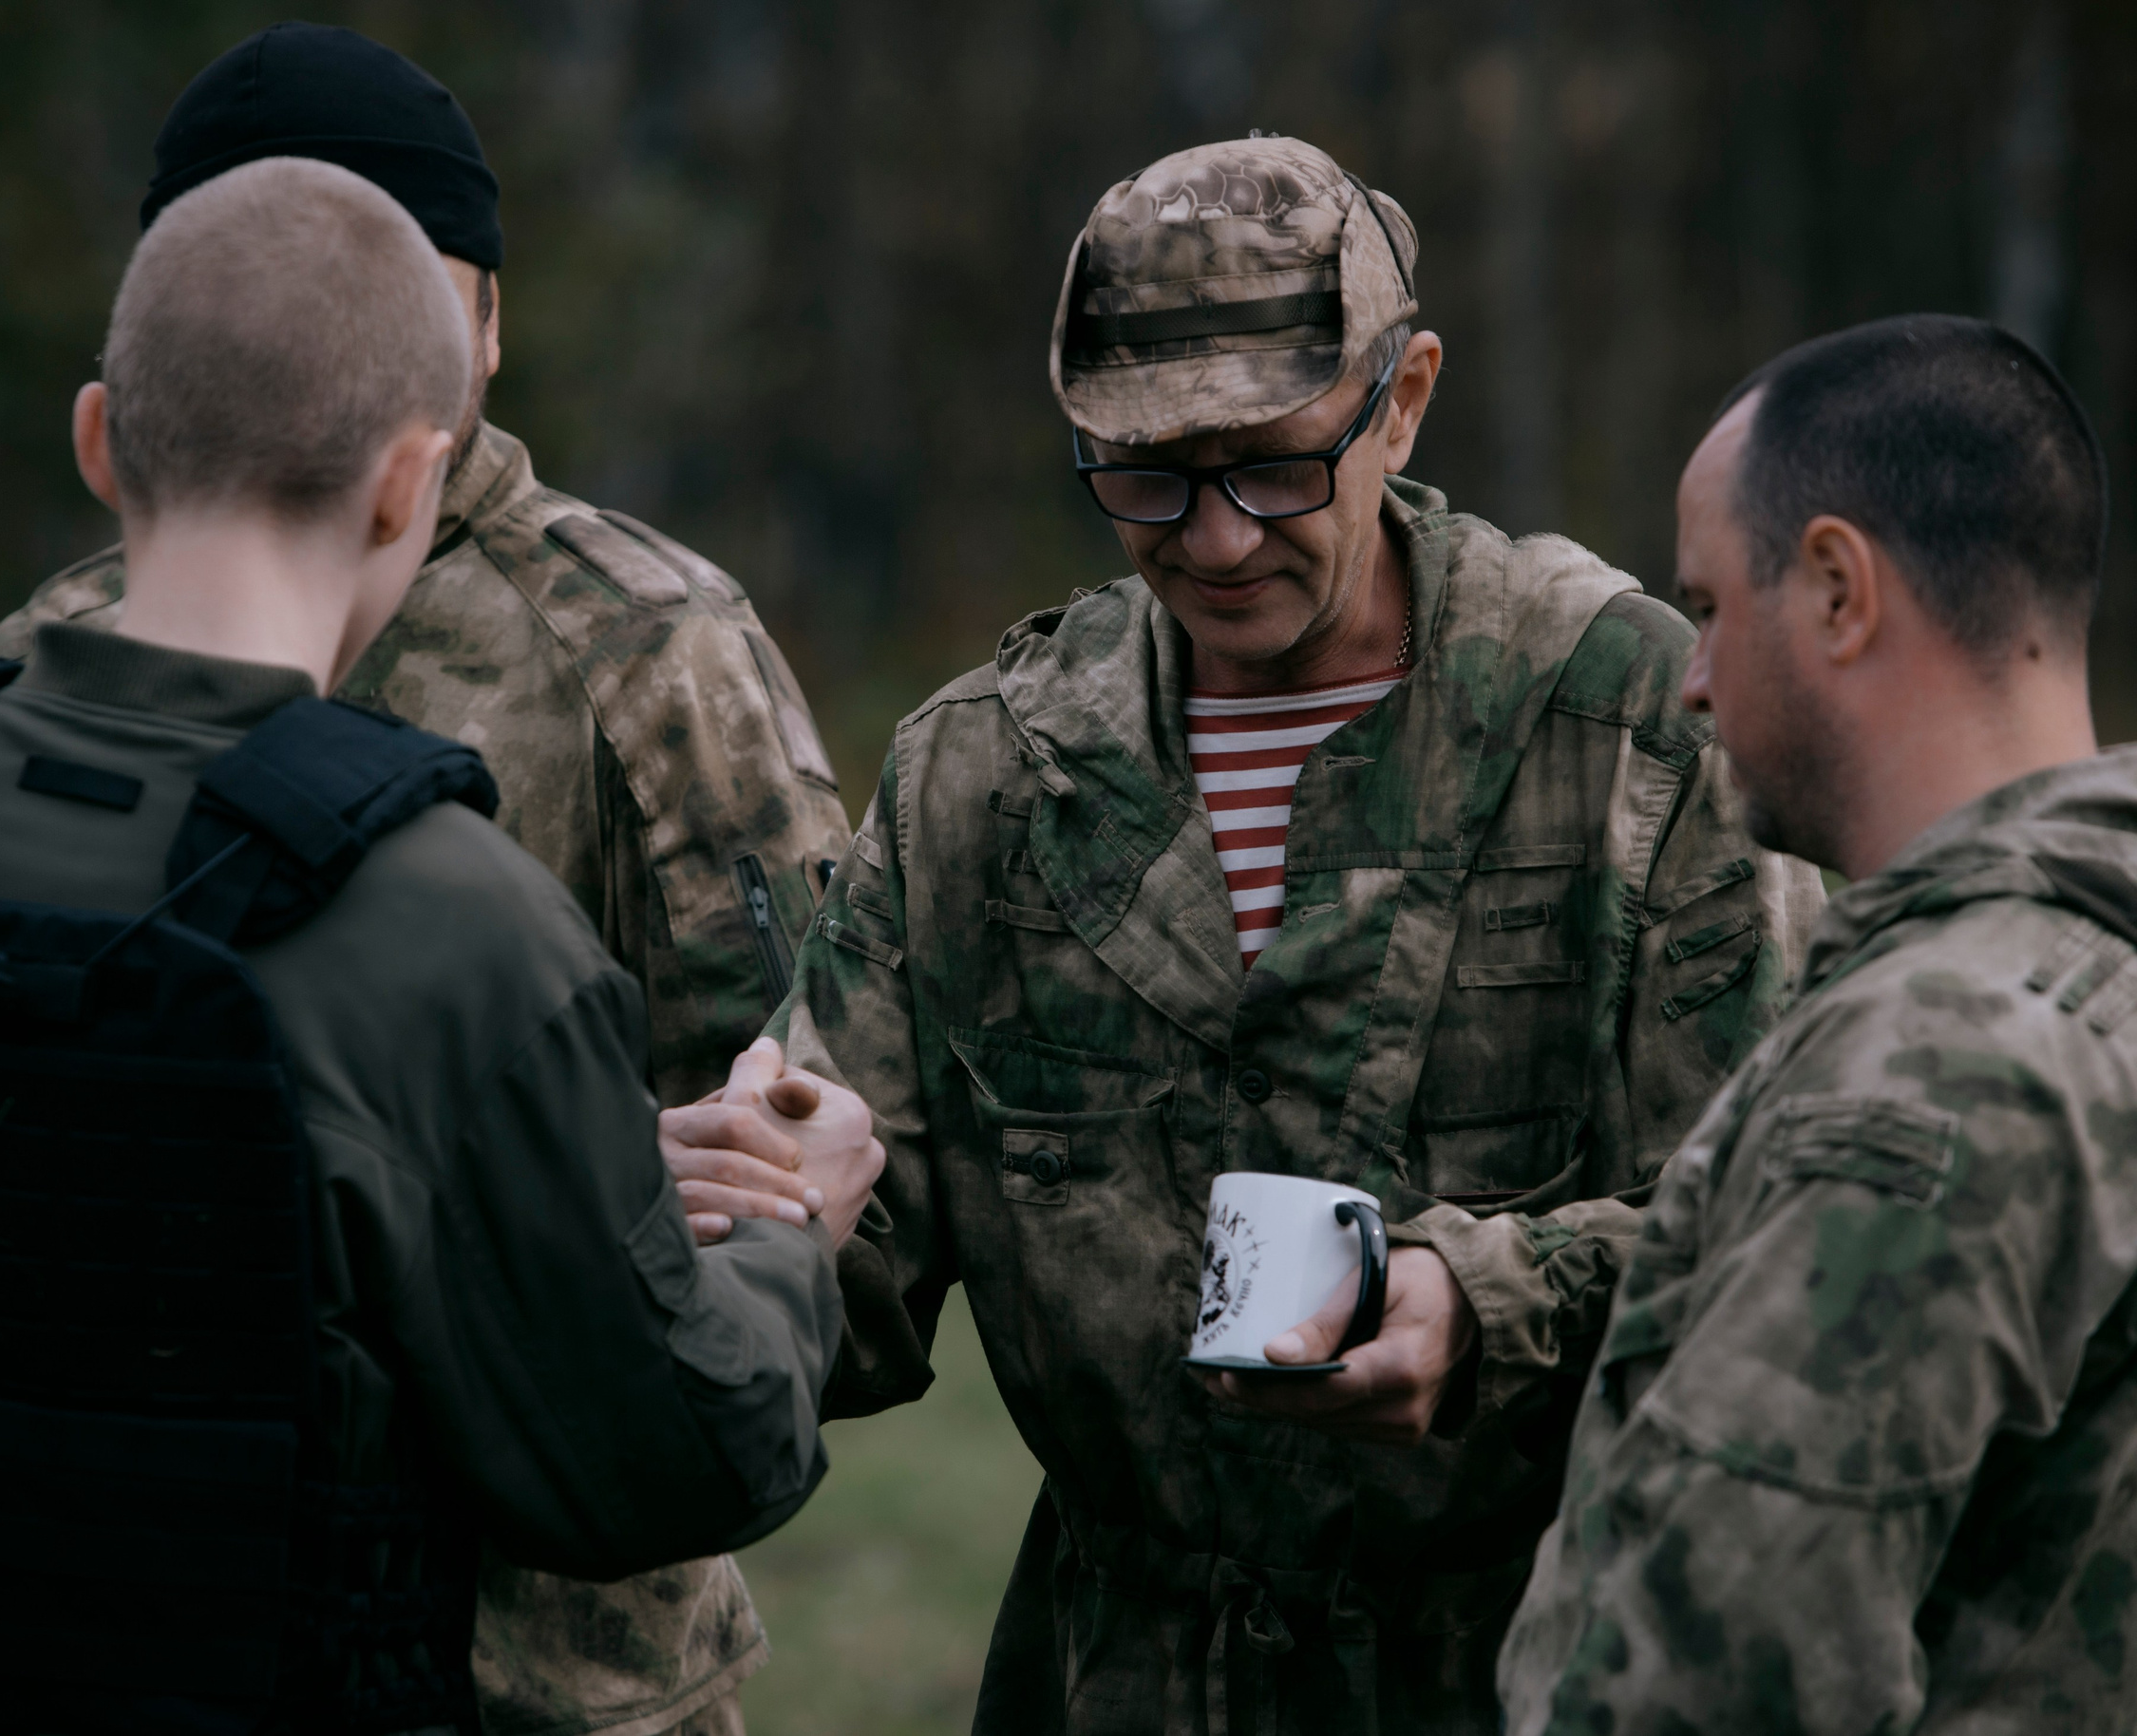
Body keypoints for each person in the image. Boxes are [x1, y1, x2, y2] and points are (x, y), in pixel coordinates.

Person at [0, 156, 879, 1734]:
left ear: (100, 438)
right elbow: (673, 1460)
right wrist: (797, 1224)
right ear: (412, 478)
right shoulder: (442, 920)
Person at [766, 135, 1824, 1733]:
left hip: (1524, 1675)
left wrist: (1489, 1303)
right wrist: (741, 1199)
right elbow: (842, 1278)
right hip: (1110, 1680)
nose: (1212, 539)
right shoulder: (981, 777)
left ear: (1402, 401)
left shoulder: (1621, 719)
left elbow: (1783, 1230)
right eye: (1143, 475)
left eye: (1273, 465)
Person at [1498, 316, 2137, 1731]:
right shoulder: (2097, 971)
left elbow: (1710, 1674)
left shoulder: (1937, 1065)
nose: (1692, 678)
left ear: (1841, 590)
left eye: (1713, 607)